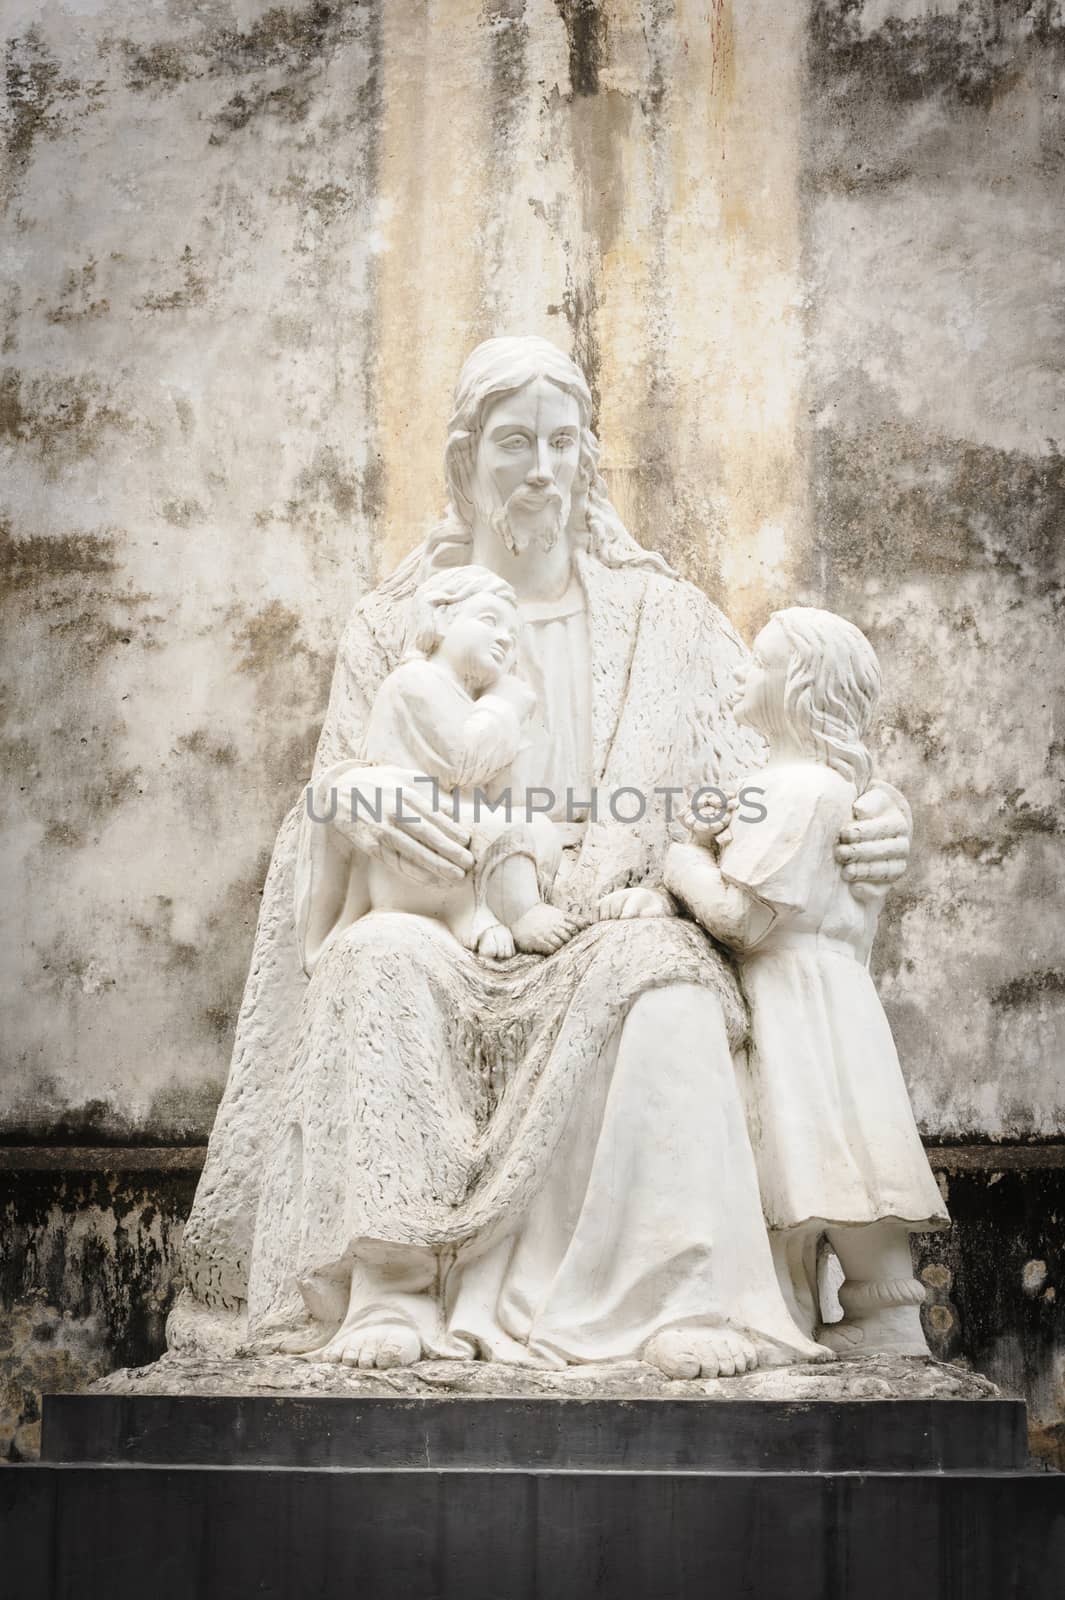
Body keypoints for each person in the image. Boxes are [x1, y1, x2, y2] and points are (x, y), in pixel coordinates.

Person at [172, 337, 913, 1380]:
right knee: (375, 961)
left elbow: (777, 769)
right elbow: (331, 798)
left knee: (671, 989)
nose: (540, 468)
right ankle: (389, 1286)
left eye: (563, 442)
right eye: (514, 442)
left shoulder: (670, 623)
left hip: (614, 915)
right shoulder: (392, 631)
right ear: (466, 462)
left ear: (588, 461)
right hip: (444, 913)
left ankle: (681, 1293)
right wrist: (350, 801)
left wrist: (868, 817)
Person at [664, 607, 947, 1355]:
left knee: (816, 1146)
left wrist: (684, 858)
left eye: (760, 664)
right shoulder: (828, 786)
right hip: (835, 993)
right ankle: (882, 1313)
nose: (742, 675)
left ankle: (877, 1319)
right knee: (855, 1149)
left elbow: (741, 917)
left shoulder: (796, 788)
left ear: (797, 687)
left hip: (790, 994)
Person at [363, 563, 577, 958]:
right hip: (416, 844)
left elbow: (494, 788)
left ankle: (482, 910)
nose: (503, 639)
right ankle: (516, 913)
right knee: (503, 827)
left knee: (537, 828)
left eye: (512, 637)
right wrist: (504, 705)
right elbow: (463, 760)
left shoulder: (464, 701)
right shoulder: (415, 680)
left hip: (452, 834)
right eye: (489, 620)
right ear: (440, 617)